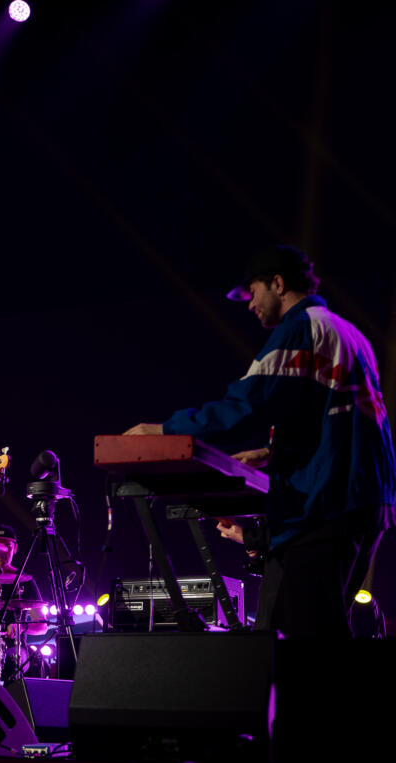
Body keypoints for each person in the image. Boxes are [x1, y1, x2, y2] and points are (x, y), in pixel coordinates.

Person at [125, 245, 396, 638]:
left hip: (327, 506)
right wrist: (271, 452)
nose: (250, 305)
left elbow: (248, 405)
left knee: (301, 633)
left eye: (253, 293)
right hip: (367, 503)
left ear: (278, 284)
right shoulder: (349, 333)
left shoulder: (301, 330)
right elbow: (342, 420)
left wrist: (166, 430)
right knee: (327, 626)